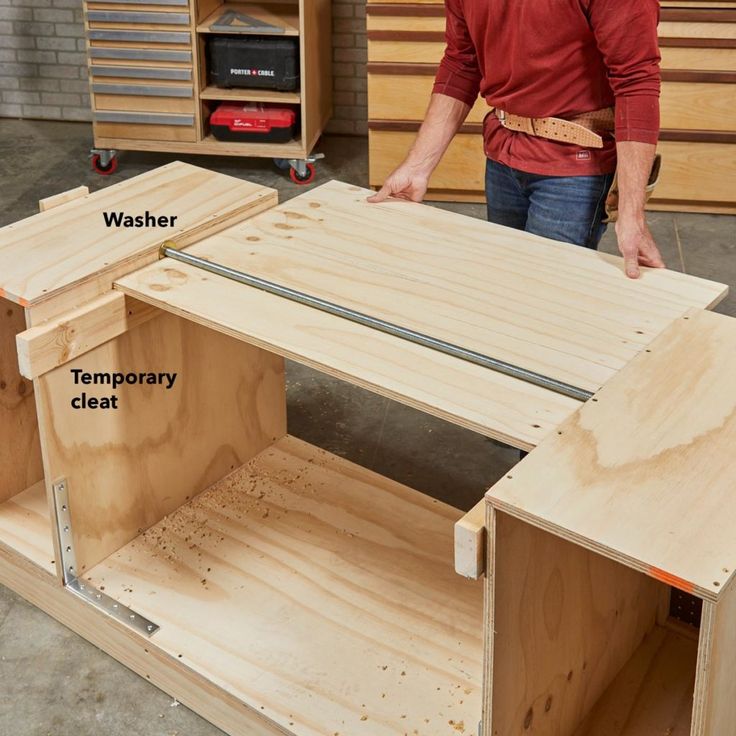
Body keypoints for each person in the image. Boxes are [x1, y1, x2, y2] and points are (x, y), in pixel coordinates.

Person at [368, 0, 666, 279]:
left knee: (549, 298)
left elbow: (635, 82)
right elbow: (462, 62)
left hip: (573, 167)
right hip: (503, 156)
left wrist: (631, 212)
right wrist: (416, 166)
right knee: (508, 282)